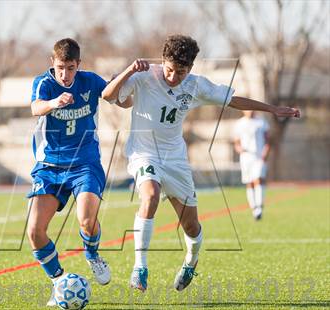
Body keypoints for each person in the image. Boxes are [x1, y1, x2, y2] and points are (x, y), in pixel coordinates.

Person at [101, 34, 300, 292]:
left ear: (191, 68)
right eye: (170, 70)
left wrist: (273, 109)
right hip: (144, 154)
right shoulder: (143, 76)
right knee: (149, 195)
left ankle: (191, 260)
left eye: (181, 72)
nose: (174, 77)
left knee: (191, 227)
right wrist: (128, 70)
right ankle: (140, 267)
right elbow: (108, 95)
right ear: (163, 61)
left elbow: (234, 100)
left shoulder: (195, 86)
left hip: (176, 160)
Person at [26, 38, 113, 305]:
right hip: (49, 167)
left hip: (85, 163)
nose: (65, 75)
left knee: (87, 220)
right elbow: (35, 107)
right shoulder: (44, 83)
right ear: (52, 63)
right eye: (61, 67)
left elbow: (116, 96)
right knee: (34, 232)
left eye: (71, 68)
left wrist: (127, 78)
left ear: (79, 65)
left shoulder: (90, 81)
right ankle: (59, 281)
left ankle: (92, 254)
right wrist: (54, 103)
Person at [234, 110, 270, 220]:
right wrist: (240, 150)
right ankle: (254, 208)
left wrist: (265, 152)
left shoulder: (262, 122)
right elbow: (237, 142)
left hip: (258, 156)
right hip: (246, 157)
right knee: (249, 183)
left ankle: (259, 206)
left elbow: (268, 140)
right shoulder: (239, 124)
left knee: (258, 179)